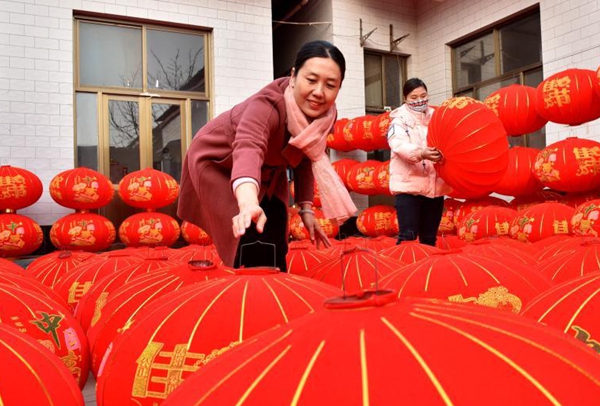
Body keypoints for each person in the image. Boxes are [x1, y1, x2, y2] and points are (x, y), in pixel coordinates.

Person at [178, 40, 356, 270]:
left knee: (277, 227)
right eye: (311, 80)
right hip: (221, 162)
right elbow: (248, 147)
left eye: (330, 85)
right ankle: (245, 290)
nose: (319, 92)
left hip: (269, 170)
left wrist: (306, 209)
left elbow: (306, 158)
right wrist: (248, 202)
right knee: (249, 230)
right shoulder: (267, 106)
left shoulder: (325, 118)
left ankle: (274, 285)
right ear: (293, 77)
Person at [387, 78, 449, 246]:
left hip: (435, 188)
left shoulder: (438, 117)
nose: (419, 100)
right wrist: (421, 153)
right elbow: (398, 145)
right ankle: (404, 270)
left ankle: (428, 272)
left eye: (423, 95)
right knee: (408, 237)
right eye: (414, 97)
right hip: (409, 188)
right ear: (405, 99)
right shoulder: (399, 120)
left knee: (429, 239)